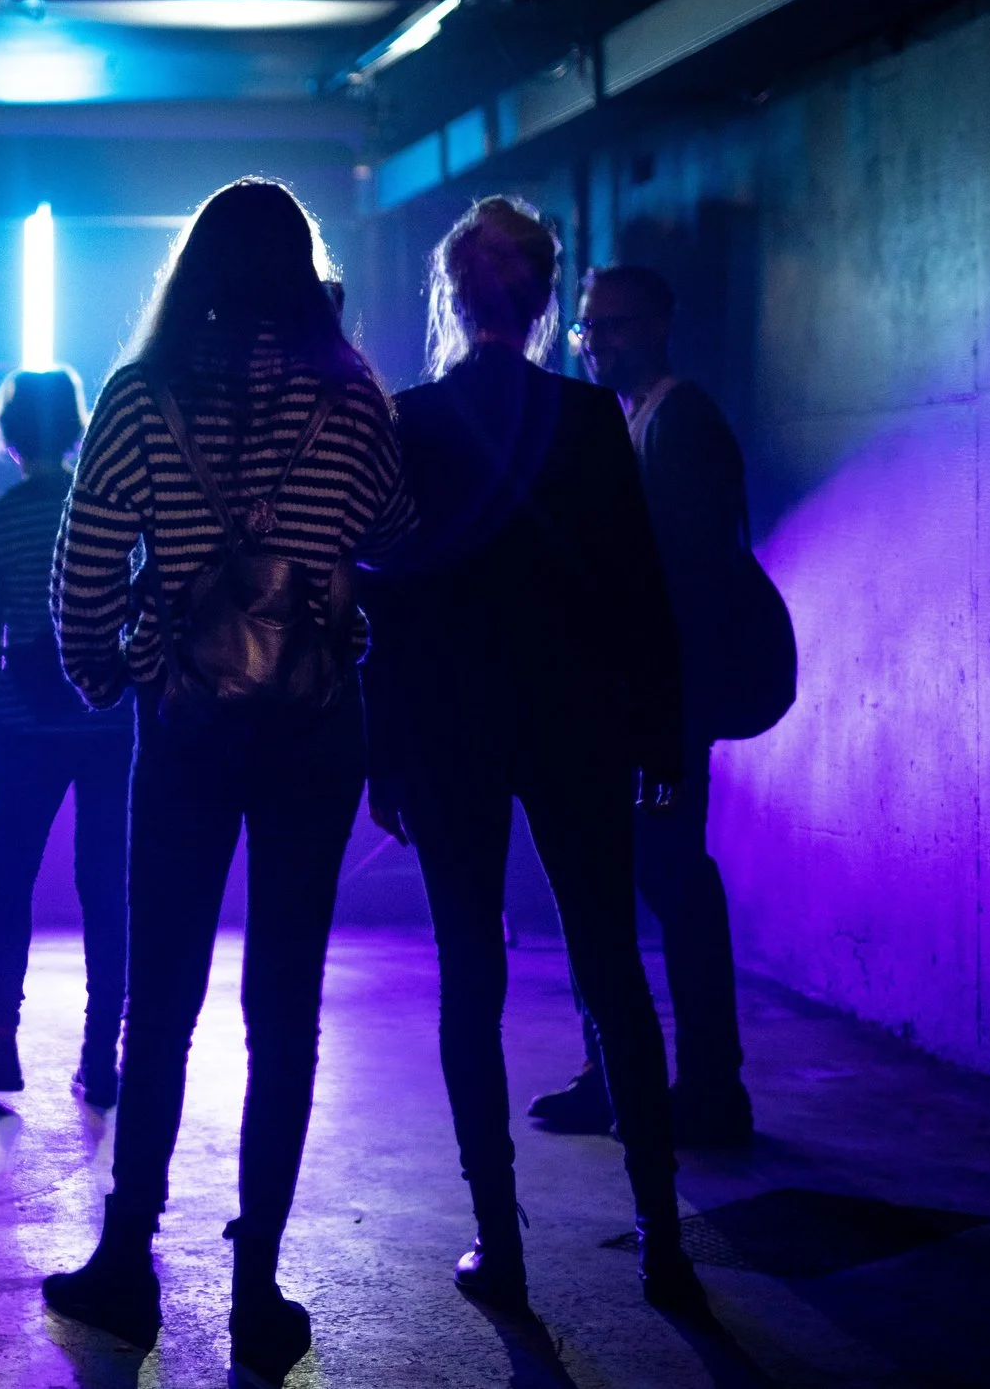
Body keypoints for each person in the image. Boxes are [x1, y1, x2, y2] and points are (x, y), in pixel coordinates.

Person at [41, 179, 408, 1388]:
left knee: (163, 996)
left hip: (189, 725)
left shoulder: (145, 394)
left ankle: (127, 1258)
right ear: (302, 273)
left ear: (191, 269)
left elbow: (86, 568)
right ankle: (257, 1286)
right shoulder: (350, 390)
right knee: (284, 1009)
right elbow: (392, 526)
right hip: (314, 727)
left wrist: (115, 671)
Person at [358, 197, 704, 1314]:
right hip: (577, 724)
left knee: (473, 976)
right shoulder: (592, 416)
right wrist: (657, 731)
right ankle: (664, 1244)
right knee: (611, 968)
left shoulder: (412, 418)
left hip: (453, 733)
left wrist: (388, 757)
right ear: (548, 296)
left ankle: (498, 1245)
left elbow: (391, 607)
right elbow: (637, 586)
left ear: (453, 298)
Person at [527, 264, 755, 1147]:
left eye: (614, 326)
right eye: (589, 328)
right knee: (621, 880)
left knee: (669, 875)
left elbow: (685, 579)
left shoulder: (681, 421)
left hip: (661, 713)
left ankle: (707, 1083)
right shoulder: (629, 419)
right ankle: (620, 1072)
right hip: (629, 707)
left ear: (661, 323)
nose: (597, 342)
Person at [0, 366, 133, 1107]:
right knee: (105, 884)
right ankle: (100, 1053)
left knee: (9, 885)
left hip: (26, 722)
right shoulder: (112, 507)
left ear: (9, 434)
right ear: (80, 424)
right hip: (112, 717)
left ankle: (2, 1044)